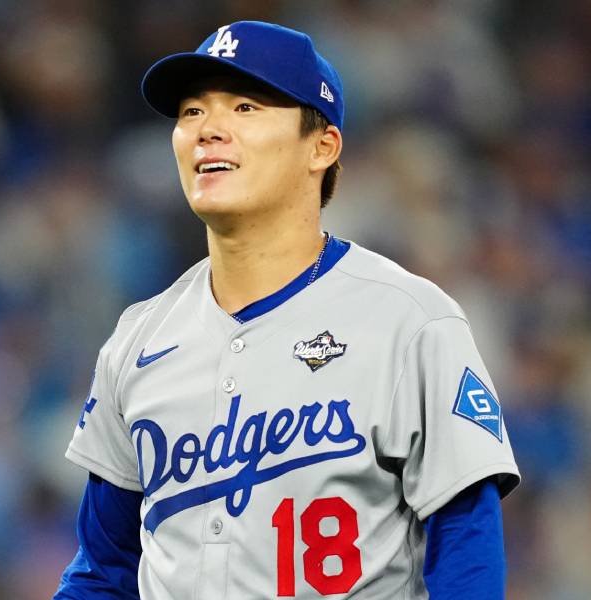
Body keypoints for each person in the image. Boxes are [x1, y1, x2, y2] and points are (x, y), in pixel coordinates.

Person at [54, 20, 520, 599]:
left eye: (245, 107)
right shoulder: (138, 338)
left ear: (321, 146)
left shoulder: (411, 321)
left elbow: (467, 547)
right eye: (192, 111)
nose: (208, 129)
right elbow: (104, 569)